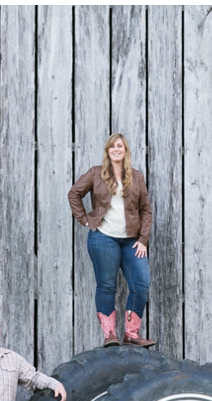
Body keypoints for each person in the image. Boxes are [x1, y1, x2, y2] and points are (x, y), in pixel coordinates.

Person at [68, 132, 155, 348]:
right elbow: (74, 194)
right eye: (112, 146)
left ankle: (131, 334)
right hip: (103, 238)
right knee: (107, 286)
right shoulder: (96, 173)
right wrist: (86, 221)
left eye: (120, 146)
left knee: (141, 284)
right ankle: (110, 335)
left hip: (131, 241)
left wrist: (143, 239)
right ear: (108, 151)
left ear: (125, 151)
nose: (116, 149)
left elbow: (145, 209)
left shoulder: (136, 176)